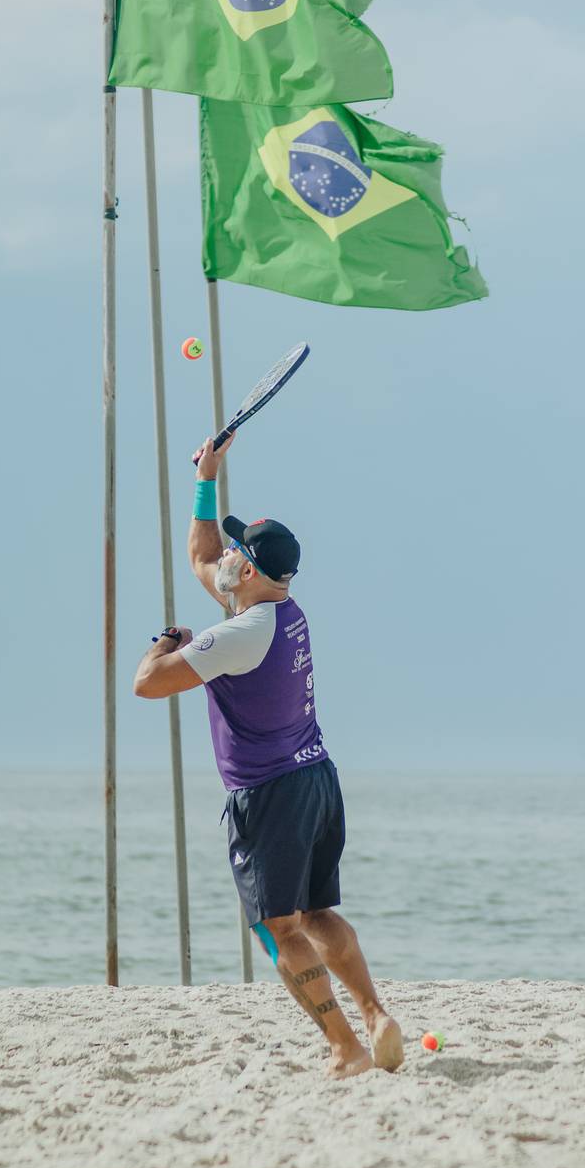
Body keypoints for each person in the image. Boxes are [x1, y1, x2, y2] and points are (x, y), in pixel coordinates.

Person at [133, 433, 403, 1079]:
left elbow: (148, 685)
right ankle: (374, 1015)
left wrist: (162, 645)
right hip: (316, 776)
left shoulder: (241, 632)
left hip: (271, 795)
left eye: (235, 552)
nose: (222, 556)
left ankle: (346, 1049)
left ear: (249, 570)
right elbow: (203, 559)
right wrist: (206, 478)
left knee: (280, 928)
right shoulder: (279, 609)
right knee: (319, 914)